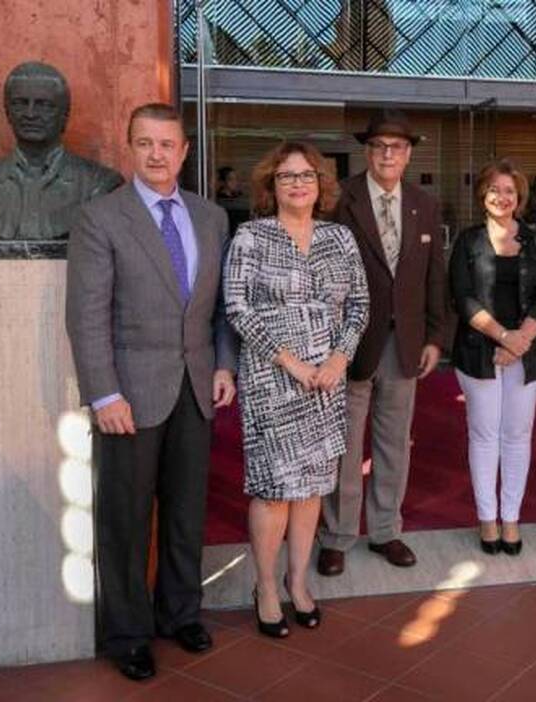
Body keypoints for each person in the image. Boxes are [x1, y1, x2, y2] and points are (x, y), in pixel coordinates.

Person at [65, 103, 237, 681]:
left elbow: (220, 309)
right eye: (145, 144)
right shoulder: (101, 218)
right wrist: (104, 394)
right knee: (126, 518)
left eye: (168, 144)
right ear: (130, 148)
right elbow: (87, 317)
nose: (157, 154)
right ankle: (128, 633)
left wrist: (224, 365)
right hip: (130, 398)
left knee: (188, 512)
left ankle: (180, 613)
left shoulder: (212, 217)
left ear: (185, 150)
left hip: (195, 388)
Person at [225, 141, 369, 635]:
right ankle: (265, 587)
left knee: (310, 491)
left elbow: (360, 304)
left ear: (320, 183)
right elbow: (237, 308)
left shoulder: (340, 239)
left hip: (326, 383)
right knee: (272, 493)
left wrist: (338, 357)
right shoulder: (249, 236)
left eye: (306, 175)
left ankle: (298, 583)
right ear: (271, 185)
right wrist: (291, 362)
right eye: (286, 176)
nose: (298, 183)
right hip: (272, 381)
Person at [316, 109, 450, 575]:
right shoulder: (339, 198)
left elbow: (436, 277)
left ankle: (386, 531)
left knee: (395, 441)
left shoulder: (424, 203)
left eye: (396, 147)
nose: (387, 154)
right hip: (350, 344)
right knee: (346, 444)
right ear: (367, 152)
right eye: (379, 146)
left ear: (409, 154)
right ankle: (337, 535)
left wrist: (435, 335)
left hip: (406, 342)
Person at [449, 159, 536, 556]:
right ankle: (487, 518)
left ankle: (511, 517)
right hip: (479, 351)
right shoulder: (468, 241)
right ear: (483, 194)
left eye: (509, 190)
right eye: (494, 189)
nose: (502, 196)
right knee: (483, 435)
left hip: (524, 354)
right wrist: (502, 337)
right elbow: (462, 297)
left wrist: (521, 339)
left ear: (519, 197)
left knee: (516, 436)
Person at [0, 61, 122, 240]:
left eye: (44, 105)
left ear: (65, 114)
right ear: (7, 112)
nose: (31, 113)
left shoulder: (100, 184)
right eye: (20, 103)